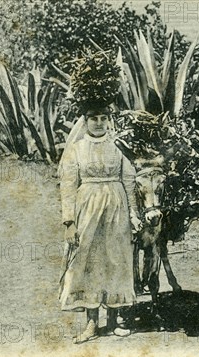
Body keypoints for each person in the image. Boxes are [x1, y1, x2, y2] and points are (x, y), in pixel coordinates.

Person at [59, 105, 142, 343]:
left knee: (115, 259)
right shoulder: (76, 150)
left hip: (117, 207)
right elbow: (67, 186)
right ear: (85, 121)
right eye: (93, 117)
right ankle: (92, 323)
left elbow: (129, 179)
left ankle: (114, 320)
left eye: (103, 118)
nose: (98, 122)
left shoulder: (119, 146)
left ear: (108, 120)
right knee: (89, 261)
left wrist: (134, 214)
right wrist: (69, 222)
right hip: (87, 208)